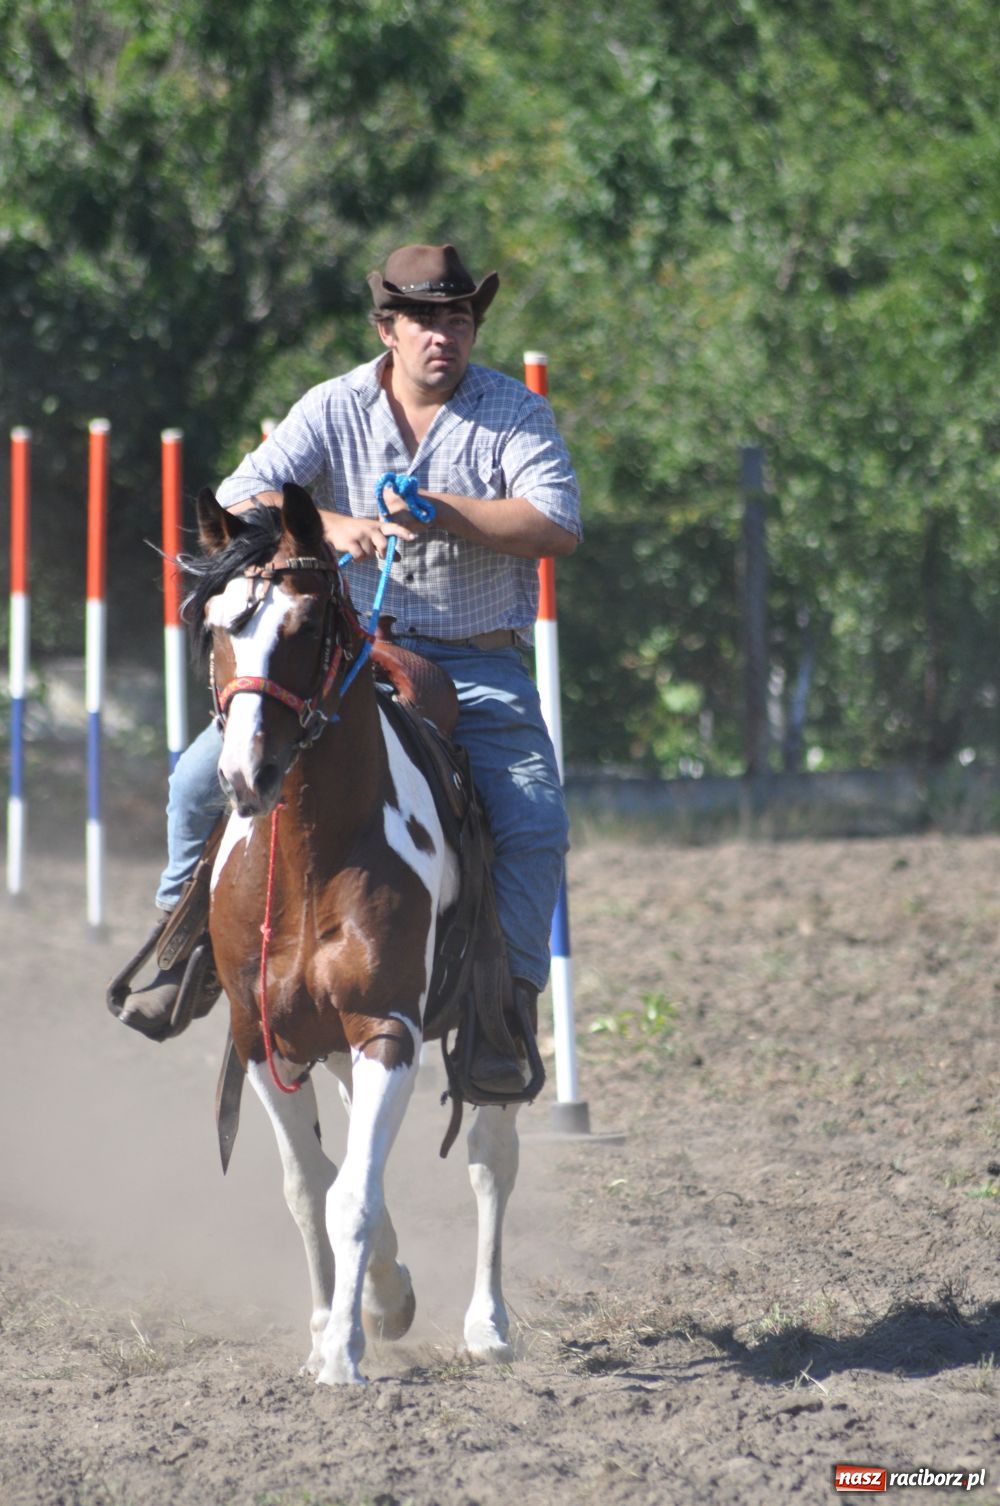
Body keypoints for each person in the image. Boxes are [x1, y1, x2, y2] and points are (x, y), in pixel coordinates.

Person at [115, 243, 581, 1095]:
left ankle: (502, 1011)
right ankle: (184, 954)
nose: (443, 334)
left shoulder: (515, 413)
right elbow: (239, 495)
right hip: (346, 657)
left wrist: (445, 512)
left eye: (458, 318)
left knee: (535, 819)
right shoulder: (333, 405)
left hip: (478, 665)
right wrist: (329, 525)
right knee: (193, 783)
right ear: (386, 329)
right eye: (423, 319)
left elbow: (555, 524)